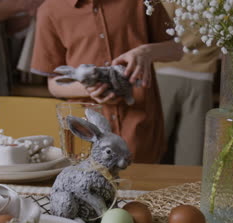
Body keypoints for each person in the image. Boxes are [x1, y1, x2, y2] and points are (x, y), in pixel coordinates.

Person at [31, 0, 182, 163]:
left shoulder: (143, 2)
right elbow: (54, 84)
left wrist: (146, 52)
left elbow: (177, 50)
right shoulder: (49, 10)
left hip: (139, 128)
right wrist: (88, 89)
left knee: (145, 187)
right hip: (87, 135)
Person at [154, 3, 220, 165]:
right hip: (202, 75)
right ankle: (186, 189)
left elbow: (156, 26)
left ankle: (136, 187)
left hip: (165, 71)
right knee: (193, 153)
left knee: (151, 146)